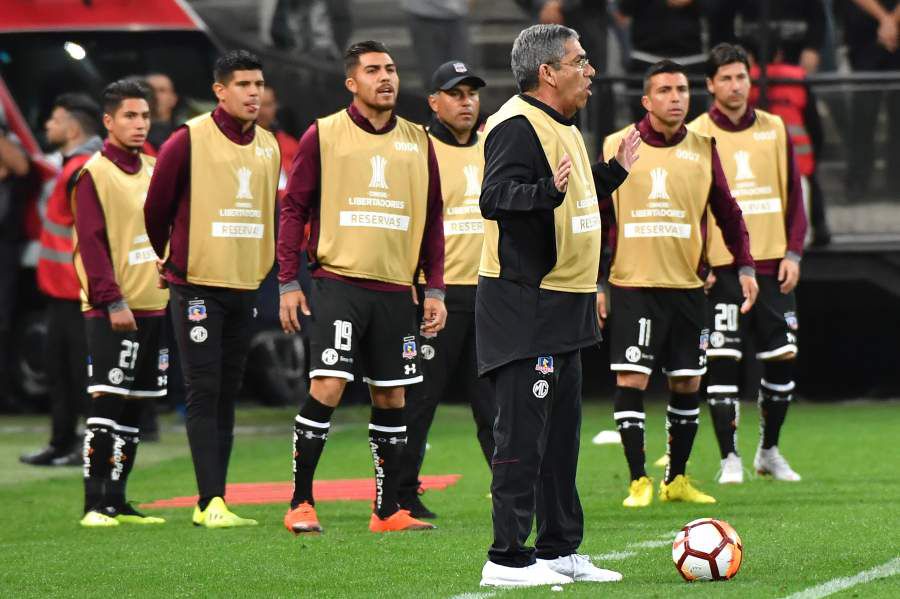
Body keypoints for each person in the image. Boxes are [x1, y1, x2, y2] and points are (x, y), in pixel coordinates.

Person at [477, 24, 639, 587]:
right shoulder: (516, 125)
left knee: (562, 435)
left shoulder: (562, 125)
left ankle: (558, 549)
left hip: (565, 304)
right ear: (548, 72)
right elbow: (495, 198)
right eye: (580, 60)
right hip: (526, 304)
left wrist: (611, 174)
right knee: (522, 435)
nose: (591, 69)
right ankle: (505, 558)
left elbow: (574, 195)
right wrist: (546, 191)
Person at [278, 41, 446, 535]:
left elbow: (432, 219)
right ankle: (300, 502)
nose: (386, 77)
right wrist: (288, 280)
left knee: (393, 397)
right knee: (328, 385)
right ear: (352, 83)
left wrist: (433, 288)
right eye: (373, 70)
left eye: (391, 68)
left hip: (396, 289)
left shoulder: (418, 140)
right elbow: (293, 210)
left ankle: (387, 509)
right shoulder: (323, 134)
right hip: (338, 282)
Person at [600, 59, 757, 508]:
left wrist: (744, 266)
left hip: (689, 288)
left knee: (687, 382)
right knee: (632, 378)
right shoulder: (619, 145)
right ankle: (637, 480)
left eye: (682, 90)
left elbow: (728, 212)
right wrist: (596, 283)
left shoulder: (704, 148)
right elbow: (598, 219)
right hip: (633, 284)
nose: (676, 98)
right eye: (665, 90)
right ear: (646, 101)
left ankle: (677, 479)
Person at [145, 50, 280, 528]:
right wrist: (169, 259)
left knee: (227, 392)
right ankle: (208, 501)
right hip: (197, 285)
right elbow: (156, 206)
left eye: (258, 84)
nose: (253, 93)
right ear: (220, 91)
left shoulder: (268, 145)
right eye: (243, 84)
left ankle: (217, 499)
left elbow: (270, 212)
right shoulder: (188, 139)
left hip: (244, 285)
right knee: (203, 389)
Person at [688, 44, 807, 484]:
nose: (735, 86)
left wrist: (794, 251)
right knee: (722, 359)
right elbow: (691, 204)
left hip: (773, 264)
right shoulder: (697, 132)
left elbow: (795, 194)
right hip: (721, 267)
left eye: (742, 77)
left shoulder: (774, 128)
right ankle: (729, 458)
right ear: (710, 85)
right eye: (726, 78)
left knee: (783, 355)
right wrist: (699, 262)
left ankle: (768, 451)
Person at [396, 60, 495, 520]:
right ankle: (402, 490)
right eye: (456, 94)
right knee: (420, 399)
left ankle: (508, 486)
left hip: (489, 293)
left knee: (493, 403)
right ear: (434, 101)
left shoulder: (493, 146)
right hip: (436, 294)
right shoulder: (417, 147)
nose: (467, 101)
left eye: (472, 93)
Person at [73, 80, 169, 527]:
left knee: (135, 408)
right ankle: (93, 503)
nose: (139, 124)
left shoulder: (154, 166)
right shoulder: (94, 173)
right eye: (130, 116)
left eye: (145, 116)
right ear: (108, 121)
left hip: (154, 304)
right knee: (106, 403)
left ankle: (118, 500)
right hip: (114, 308)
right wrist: (111, 301)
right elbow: (91, 245)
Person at [19, 94, 102, 466]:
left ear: (71, 127)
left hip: (77, 290)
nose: (47, 127)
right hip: (62, 288)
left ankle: (85, 445)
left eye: (53, 120)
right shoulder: (75, 166)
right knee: (60, 370)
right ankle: (62, 441)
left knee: (79, 373)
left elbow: (94, 233)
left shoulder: (82, 169)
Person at [0, 104, 30, 414]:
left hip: (4, 244)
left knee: (3, 323)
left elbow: (19, 166)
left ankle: (5, 393)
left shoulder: (12, 142)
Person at [256, 85, 299, 199]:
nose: (262, 111)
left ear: (275, 106)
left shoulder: (290, 145)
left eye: (268, 105)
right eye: (258, 104)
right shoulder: (236, 143)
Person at [145, 73, 183, 151]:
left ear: (173, 99)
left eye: (161, 90)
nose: (155, 95)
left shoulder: (185, 136)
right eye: (150, 90)